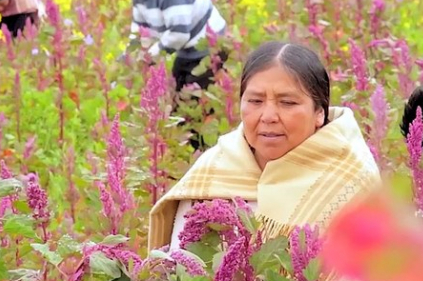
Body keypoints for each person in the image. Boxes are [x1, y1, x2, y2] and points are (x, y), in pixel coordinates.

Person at [147, 41, 381, 251]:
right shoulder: (212, 174)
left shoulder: (349, 179)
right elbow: (179, 265)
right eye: (255, 101)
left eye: (287, 102)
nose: (268, 116)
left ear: (319, 112)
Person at [107, 0, 227, 93]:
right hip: (186, 49)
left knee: (193, 101)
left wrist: (147, 58)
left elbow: (179, 34)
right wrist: (125, 60)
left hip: (209, 47)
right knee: (178, 97)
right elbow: (139, 31)